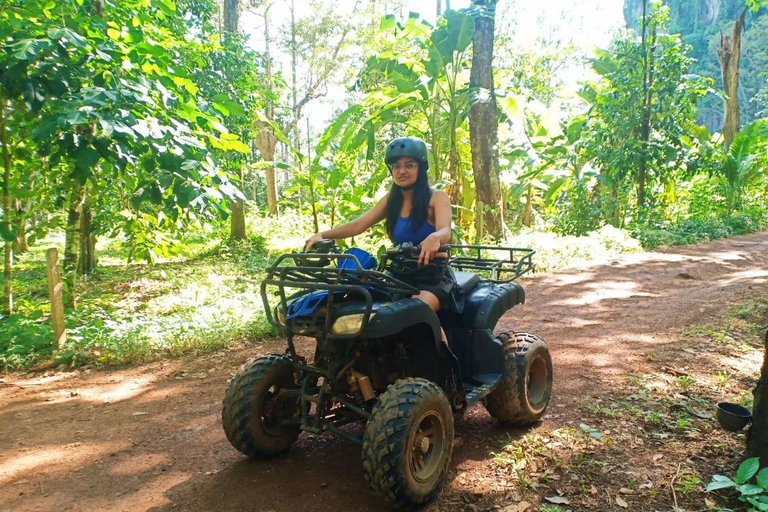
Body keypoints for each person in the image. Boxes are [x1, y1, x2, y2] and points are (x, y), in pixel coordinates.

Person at [305, 136, 454, 319]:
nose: (402, 171)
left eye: (409, 165)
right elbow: (357, 225)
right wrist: (322, 235)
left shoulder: (436, 197)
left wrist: (435, 237)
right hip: (399, 274)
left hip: (434, 275)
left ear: (421, 168)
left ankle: (442, 348)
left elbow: (445, 230)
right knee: (365, 310)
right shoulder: (390, 201)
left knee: (417, 313)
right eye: (396, 166)